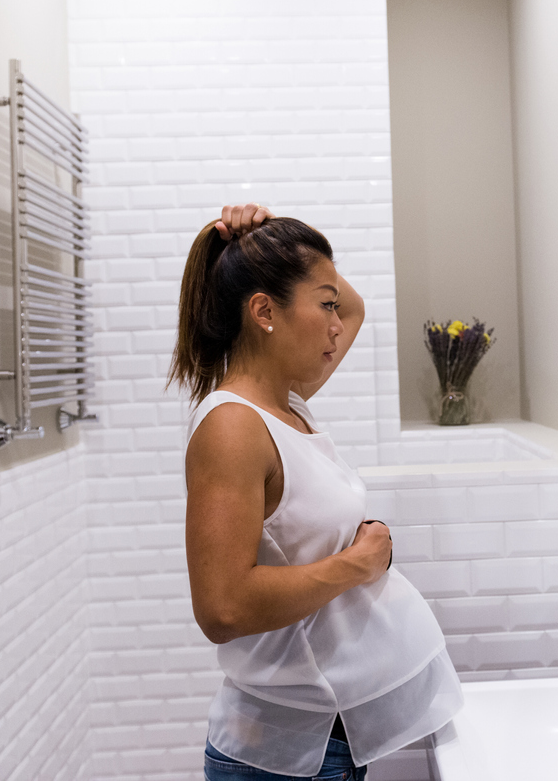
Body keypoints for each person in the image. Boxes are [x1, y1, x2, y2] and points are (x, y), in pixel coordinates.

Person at [170, 204, 463, 781]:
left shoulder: (287, 401)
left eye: (333, 304)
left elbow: (354, 308)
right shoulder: (232, 426)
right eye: (322, 304)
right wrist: (356, 565)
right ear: (264, 312)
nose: (338, 322)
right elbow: (222, 608)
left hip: (325, 738)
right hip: (282, 757)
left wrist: (269, 234)